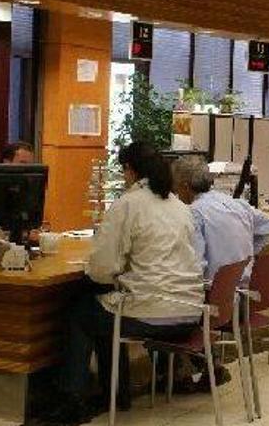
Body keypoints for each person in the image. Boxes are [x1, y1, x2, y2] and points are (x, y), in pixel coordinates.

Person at [48, 142, 201, 423]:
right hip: (190, 311)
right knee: (105, 307)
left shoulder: (128, 204)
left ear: (129, 170)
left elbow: (102, 269)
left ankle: (73, 399)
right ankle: (116, 393)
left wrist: (107, 274)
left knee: (82, 313)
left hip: (151, 313)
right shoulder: (179, 205)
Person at [171, 155, 269, 283]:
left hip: (213, 292)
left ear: (185, 187)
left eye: (176, 187)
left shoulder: (194, 213)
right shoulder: (238, 204)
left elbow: (196, 266)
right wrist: (250, 253)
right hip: (244, 288)